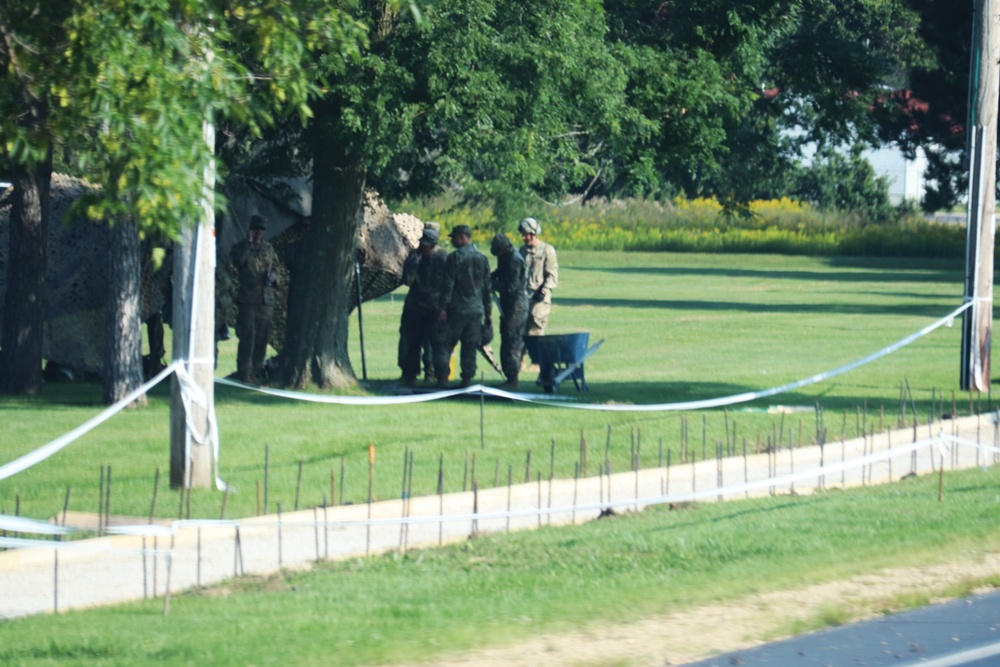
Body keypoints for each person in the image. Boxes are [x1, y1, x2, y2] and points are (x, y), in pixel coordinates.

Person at [434, 224, 491, 388]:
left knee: (444, 344)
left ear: (462, 237)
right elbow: (487, 289)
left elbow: (448, 285)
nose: (452, 241)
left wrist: (443, 307)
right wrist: (488, 314)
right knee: (469, 346)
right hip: (476, 311)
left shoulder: (454, 258)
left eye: (454, 237)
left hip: (456, 310)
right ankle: (467, 380)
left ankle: (443, 378)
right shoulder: (482, 259)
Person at [230, 214, 279, 384]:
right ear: (250, 229)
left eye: (261, 229)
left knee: (262, 337)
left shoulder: (269, 249)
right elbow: (238, 262)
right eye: (255, 228)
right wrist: (249, 244)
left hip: (266, 300)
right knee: (247, 336)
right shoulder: (240, 247)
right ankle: (244, 372)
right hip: (248, 299)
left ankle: (257, 371)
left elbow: (277, 269)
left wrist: (274, 277)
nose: (258, 232)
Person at [397, 226, 447, 387]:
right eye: (421, 244)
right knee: (411, 342)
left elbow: (449, 284)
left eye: (425, 245)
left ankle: (436, 375)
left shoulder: (442, 259)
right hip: (415, 307)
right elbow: (407, 281)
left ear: (433, 245)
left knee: (435, 344)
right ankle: (409, 375)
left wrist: (444, 307)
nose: (421, 248)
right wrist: (413, 265)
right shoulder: (414, 257)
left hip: (434, 307)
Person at [490, 233, 529, 390]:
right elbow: (500, 272)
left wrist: (493, 284)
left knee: (512, 341)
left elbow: (511, 287)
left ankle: (513, 378)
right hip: (508, 304)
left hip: (516, 306)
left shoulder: (514, 260)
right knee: (506, 339)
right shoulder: (505, 257)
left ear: (504, 248)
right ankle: (509, 376)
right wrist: (490, 276)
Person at [518, 217, 558, 336]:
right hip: (524, 298)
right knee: (521, 334)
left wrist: (543, 291)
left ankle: (538, 355)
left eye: (525, 235)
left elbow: (552, 276)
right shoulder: (522, 251)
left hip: (539, 301)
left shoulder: (547, 250)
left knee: (535, 332)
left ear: (533, 234)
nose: (523, 238)